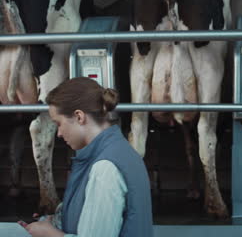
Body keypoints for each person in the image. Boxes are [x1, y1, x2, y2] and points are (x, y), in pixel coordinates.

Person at [18, 77, 153, 237]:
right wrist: (55, 220)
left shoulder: (104, 168)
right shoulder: (120, 152)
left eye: (59, 123)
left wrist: (50, 234)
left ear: (79, 117)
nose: (59, 133)